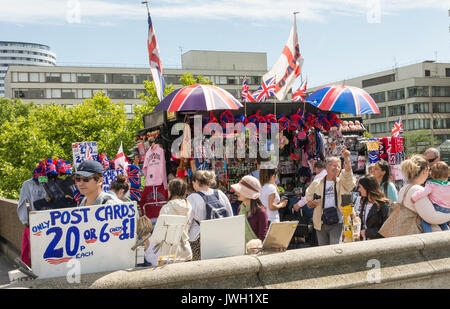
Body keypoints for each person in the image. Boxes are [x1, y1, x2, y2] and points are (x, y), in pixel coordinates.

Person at [305, 149, 356, 246]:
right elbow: (308, 201)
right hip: (321, 222)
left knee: (335, 248)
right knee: (323, 250)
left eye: (338, 167)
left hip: (338, 222)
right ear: (327, 167)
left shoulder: (342, 182)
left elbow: (348, 174)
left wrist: (346, 159)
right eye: (334, 165)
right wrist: (312, 203)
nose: (336, 168)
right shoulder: (317, 183)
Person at [187, 170, 233, 260]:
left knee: (201, 266)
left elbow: (187, 221)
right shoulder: (220, 193)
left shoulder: (192, 198)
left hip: (199, 238)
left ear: (196, 182)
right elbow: (230, 214)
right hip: (220, 236)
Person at [146, 178, 193, 265]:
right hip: (185, 250)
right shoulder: (188, 205)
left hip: (169, 253)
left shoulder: (166, 208)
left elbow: (158, 236)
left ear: (170, 191)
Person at [399, 155, 450, 232]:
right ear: (424, 170)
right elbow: (432, 217)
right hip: (421, 235)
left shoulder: (404, 188)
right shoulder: (417, 189)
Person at [231, 175, 268, 243]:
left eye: (241, 190)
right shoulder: (240, 208)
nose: (236, 192)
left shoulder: (261, 212)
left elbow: (262, 237)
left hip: (255, 251)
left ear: (249, 193)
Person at [357, 175, 390, 240]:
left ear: (367, 188)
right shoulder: (364, 202)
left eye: (360, 187)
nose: (358, 189)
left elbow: (386, 229)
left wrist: (367, 232)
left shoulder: (383, 205)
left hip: (377, 244)